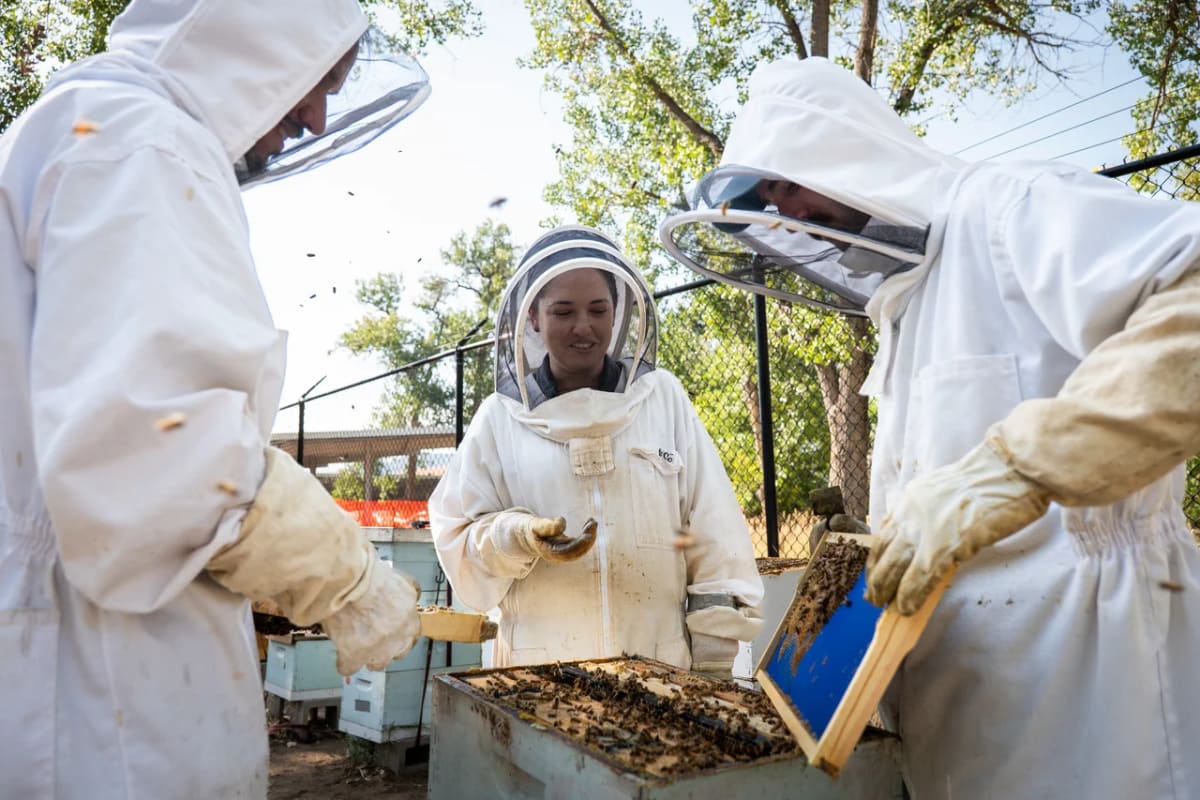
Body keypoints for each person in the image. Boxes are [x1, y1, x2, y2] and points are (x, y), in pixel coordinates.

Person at [665, 56, 1200, 799]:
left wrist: (1019, 468)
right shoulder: (906, 306)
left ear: (837, 142)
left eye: (785, 180)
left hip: (1099, 701)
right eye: (765, 198)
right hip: (967, 724)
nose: (784, 208)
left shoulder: (1009, 208)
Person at [0, 1, 432, 796]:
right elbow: (158, 452)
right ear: (247, 30)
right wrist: (346, 577)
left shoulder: (80, 129)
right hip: (110, 704)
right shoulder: (140, 142)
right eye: (312, 79)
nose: (313, 117)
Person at [430, 226, 764, 678]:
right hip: (540, 675)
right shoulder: (499, 419)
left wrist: (715, 660)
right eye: (563, 311)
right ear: (533, 318)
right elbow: (460, 547)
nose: (582, 326)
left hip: (661, 669)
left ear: (618, 314)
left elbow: (712, 530)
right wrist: (513, 537)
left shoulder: (662, 399)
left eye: (597, 309)